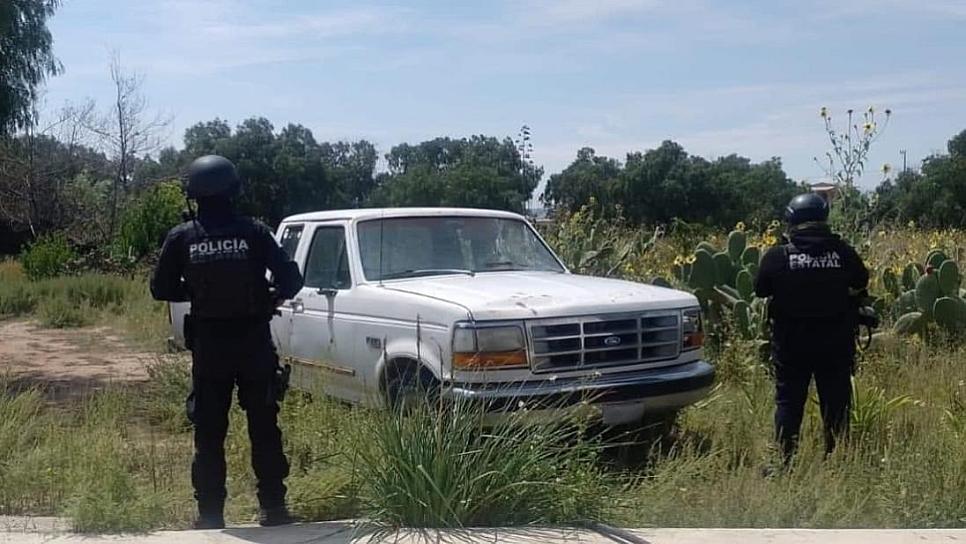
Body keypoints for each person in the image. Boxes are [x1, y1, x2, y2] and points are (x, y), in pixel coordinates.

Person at [150, 155, 304, 529]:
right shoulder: (253, 231)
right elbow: (292, 279)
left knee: (209, 433)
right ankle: (273, 510)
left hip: (210, 348)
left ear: (194, 195)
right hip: (253, 344)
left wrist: (196, 290)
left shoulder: (181, 236)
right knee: (264, 428)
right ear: (234, 190)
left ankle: (209, 517)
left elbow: (160, 288)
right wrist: (269, 297)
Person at [754, 193, 869, 464]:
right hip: (836, 342)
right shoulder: (843, 253)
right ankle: (836, 459)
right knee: (836, 401)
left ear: (791, 220)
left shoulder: (779, 255)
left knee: (789, 402)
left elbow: (760, 290)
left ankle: (785, 460)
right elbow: (861, 281)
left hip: (792, 343)